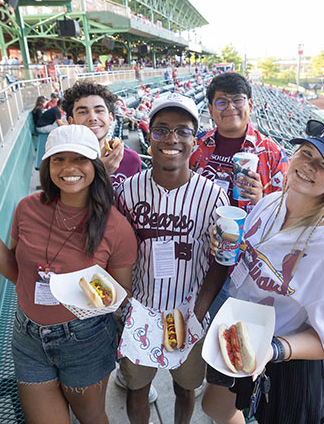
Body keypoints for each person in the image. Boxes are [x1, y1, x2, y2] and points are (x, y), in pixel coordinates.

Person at [0, 125, 137, 423]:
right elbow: (17, 272)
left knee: (92, 418)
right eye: (58, 159)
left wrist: (87, 300)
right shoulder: (26, 208)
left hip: (84, 339)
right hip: (28, 336)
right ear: (47, 165)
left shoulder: (116, 227)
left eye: (79, 159)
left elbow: (120, 293)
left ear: (95, 166)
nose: (68, 168)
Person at [201, 120, 324, 424]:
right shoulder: (270, 203)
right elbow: (248, 259)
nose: (309, 166)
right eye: (306, 153)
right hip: (243, 331)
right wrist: (226, 244)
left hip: (290, 359)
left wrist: (274, 350)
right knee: (215, 408)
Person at [115, 94, 230, 424]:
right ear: (148, 136)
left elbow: (222, 260)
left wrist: (199, 312)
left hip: (190, 308)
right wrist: (124, 307)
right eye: (161, 130)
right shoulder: (128, 190)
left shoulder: (212, 195)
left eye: (182, 131)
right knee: (137, 388)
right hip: (141, 308)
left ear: (195, 140)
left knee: (186, 388)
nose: (171, 139)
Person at [190, 72, 288, 212]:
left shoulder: (274, 154)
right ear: (211, 111)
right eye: (221, 102)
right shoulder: (196, 145)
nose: (230, 107)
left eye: (237, 100)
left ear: (250, 105)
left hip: (250, 233)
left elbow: (284, 213)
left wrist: (260, 200)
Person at [62, 81, 142, 189]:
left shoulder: (131, 159)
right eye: (82, 112)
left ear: (110, 118)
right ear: (71, 121)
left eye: (99, 110)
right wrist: (99, 172)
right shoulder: (62, 164)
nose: (92, 117)